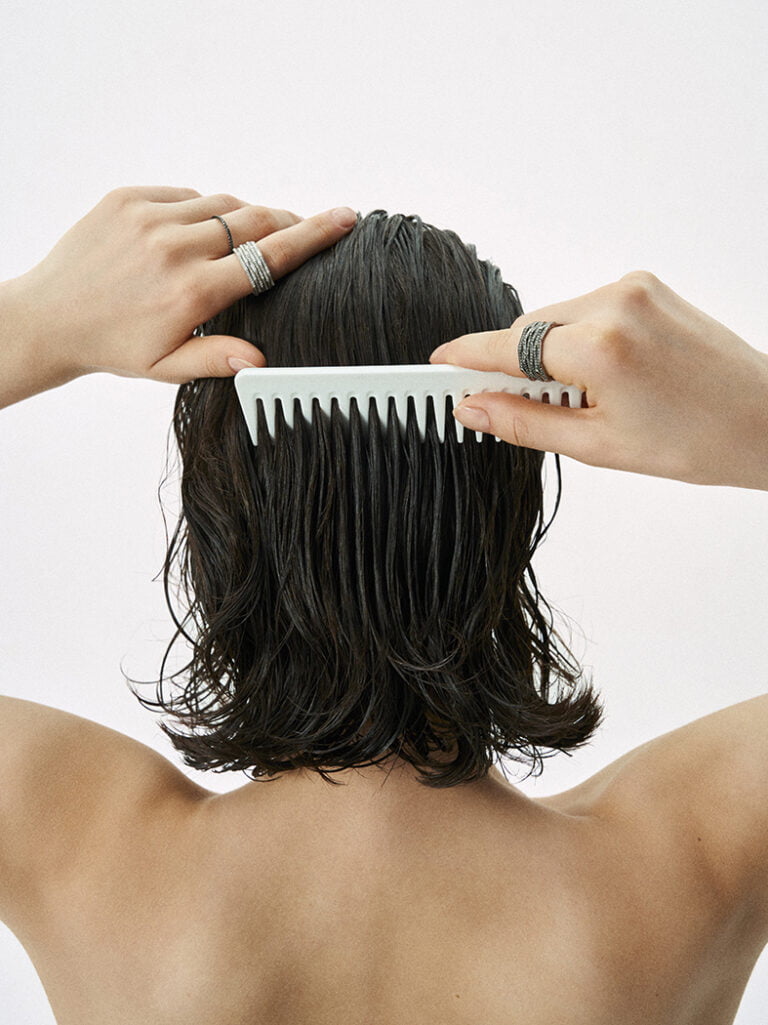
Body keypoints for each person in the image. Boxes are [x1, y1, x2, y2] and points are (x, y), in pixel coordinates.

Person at [0, 186, 766, 1025]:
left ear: (221, 498)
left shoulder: (74, 840)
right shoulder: (688, 859)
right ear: (513, 492)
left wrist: (34, 327)